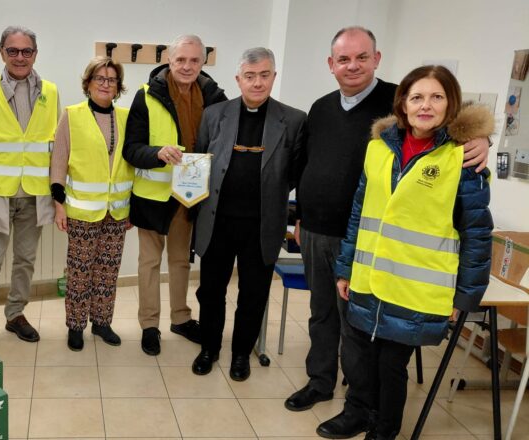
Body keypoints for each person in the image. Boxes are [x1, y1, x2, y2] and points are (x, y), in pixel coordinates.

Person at [287, 27, 491, 435]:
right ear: (331, 65)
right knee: (324, 316)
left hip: (395, 265)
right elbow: (319, 172)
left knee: (371, 344)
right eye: (343, 59)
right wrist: (301, 215)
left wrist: (482, 137)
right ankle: (325, 385)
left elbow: (474, 230)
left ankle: (374, 415)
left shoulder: (412, 114)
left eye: (362, 56)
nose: (352, 65)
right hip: (337, 242)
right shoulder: (333, 114)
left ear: (377, 59)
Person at [334, 65, 493, 440]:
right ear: (402, 104)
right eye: (417, 97)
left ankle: (384, 430)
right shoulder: (378, 148)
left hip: (417, 289)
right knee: (365, 358)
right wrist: (345, 269)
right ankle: (361, 414)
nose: (425, 105)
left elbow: (477, 234)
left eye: (436, 97)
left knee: (391, 365)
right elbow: (360, 213)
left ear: (450, 104)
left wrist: (465, 296)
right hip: (370, 278)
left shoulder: (463, 159)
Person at [191, 48, 305, 381]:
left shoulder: (294, 120)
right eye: (250, 76)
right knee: (211, 291)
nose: (257, 83)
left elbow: (299, 172)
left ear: (273, 76)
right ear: (238, 79)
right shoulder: (213, 115)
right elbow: (200, 161)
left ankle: (241, 353)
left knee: (253, 295)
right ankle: (209, 348)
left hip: (263, 225)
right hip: (217, 223)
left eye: (264, 75)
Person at [123, 34, 226, 356]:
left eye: (194, 60)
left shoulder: (216, 97)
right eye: (181, 59)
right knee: (149, 263)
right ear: (169, 60)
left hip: (191, 197)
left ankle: (180, 319)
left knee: (181, 262)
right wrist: (157, 153)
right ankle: (149, 326)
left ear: (203, 61)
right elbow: (131, 150)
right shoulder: (146, 96)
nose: (187, 66)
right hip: (153, 198)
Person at [0, 26, 59, 351]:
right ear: (2, 52)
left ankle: (16, 314)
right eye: (13, 51)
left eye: (26, 51)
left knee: (25, 260)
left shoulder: (51, 92)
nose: (20, 57)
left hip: (34, 195)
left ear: (35, 54)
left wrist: (59, 196)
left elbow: (56, 149)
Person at [50, 56, 133, 351]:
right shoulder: (71, 115)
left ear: (118, 87)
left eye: (111, 80)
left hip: (117, 211)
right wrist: (59, 205)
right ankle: (75, 326)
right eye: (100, 78)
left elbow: (132, 164)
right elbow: (58, 161)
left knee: (108, 270)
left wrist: (131, 207)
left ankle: (102, 322)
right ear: (88, 83)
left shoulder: (126, 117)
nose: (106, 84)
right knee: (80, 271)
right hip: (82, 211)